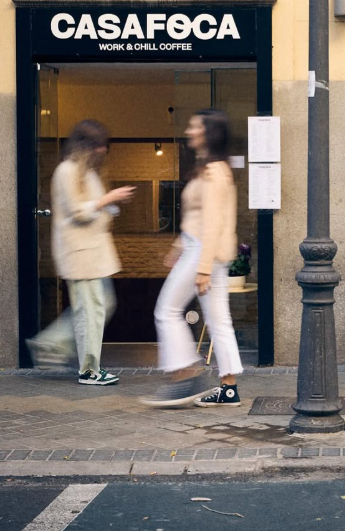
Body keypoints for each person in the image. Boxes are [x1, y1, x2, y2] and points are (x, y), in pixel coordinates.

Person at [140, 109, 243, 408]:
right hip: (201, 250)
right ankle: (228, 389)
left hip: (204, 252)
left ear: (209, 133)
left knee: (167, 310)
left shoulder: (214, 173)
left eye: (195, 127)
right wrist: (178, 247)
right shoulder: (210, 169)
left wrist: (203, 267)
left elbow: (212, 224)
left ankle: (186, 374)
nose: (189, 131)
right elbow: (197, 219)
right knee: (219, 321)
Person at [26, 120, 135, 385]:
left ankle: (52, 344)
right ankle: (88, 370)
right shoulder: (67, 171)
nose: (102, 152)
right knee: (91, 311)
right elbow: (79, 211)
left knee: (99, 306)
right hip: (79, 254)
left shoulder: (86, 172)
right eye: (98, 147)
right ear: (85, 146)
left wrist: (108, 205)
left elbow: (94, 208)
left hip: (92, 254)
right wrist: (108, 199)